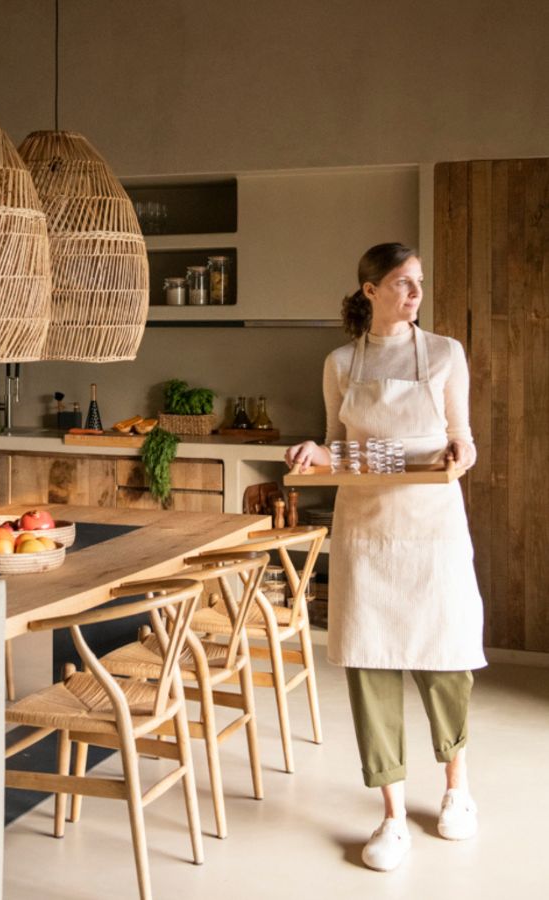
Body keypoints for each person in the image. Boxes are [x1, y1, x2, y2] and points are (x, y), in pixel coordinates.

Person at [285, 243, 486, 872]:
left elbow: (465, 443)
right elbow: (341, 449)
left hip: (433, 529)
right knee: (370, 667)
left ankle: (456, 789)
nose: (415, 293)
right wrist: (315, 452)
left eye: (419, 282)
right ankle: (392, 814)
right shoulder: (341, 362)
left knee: (446, 658)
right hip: (367, 531)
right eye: (402, 283)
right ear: (369, 290)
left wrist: (457, 455)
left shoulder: (448, 353)